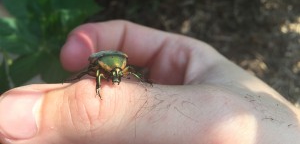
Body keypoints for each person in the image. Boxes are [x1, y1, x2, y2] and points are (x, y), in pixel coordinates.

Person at [0, 20, 299, 144]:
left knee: (126, 79)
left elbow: (126, 70)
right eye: (115, 75)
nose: (116, 78)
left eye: (119, 74)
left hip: (115, 57)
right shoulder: (102, 66)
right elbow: (104, 69)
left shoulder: (123, 66)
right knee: (84, 76)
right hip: (103, 58)